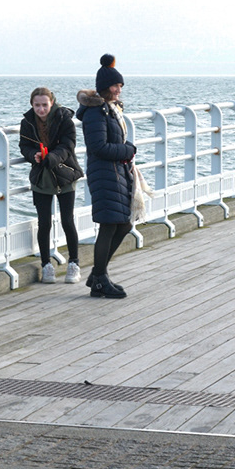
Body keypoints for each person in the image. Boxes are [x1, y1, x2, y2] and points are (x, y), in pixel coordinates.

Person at [76, 61, 139, 298]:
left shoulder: (110, 109)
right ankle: (100, 280)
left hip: (116, 173)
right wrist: (128, 150)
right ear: (104, 87)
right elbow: (98, 147)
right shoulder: (95, 112)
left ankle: (98, 275)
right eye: (115, 85)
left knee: (124, 224)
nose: (119, 89)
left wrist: (126, 152)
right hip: (103, 173)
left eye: (120, 85)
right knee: (109, 224)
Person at [18, 86, 81, 282]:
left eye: (44, 105)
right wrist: (32, 155)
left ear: (51, 103)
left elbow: (68, 145)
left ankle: (74, 264)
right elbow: (24, 146)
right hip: (41, 176)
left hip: (64, 173)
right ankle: (46, 265)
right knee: (44, 222)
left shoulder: (64, 119)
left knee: (67, 221)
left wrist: (52, 157)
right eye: (37, 105)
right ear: (32, 105)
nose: (41, 109)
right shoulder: (27, 122)